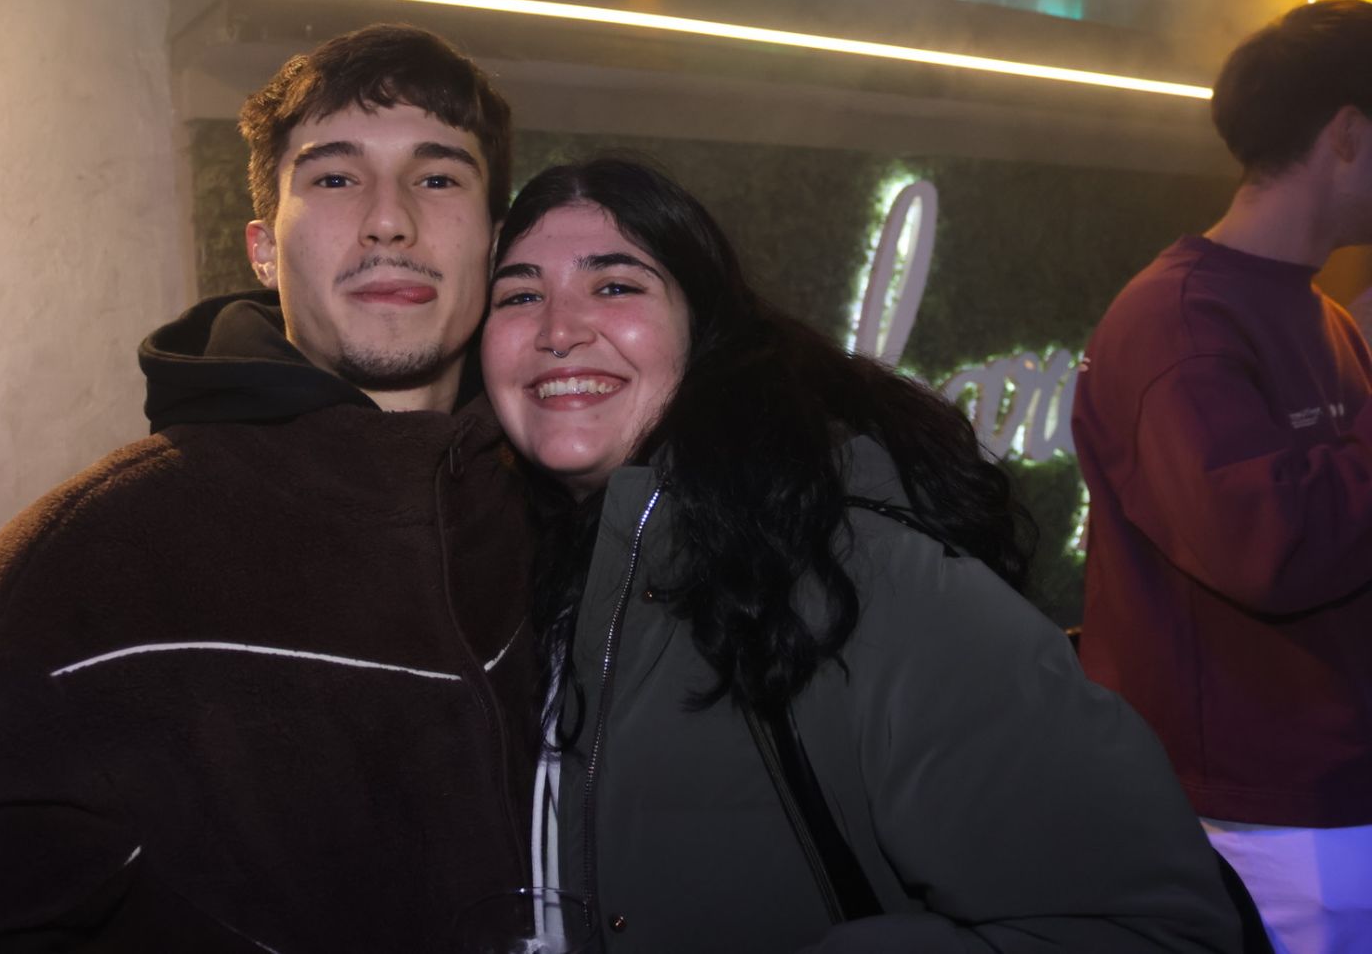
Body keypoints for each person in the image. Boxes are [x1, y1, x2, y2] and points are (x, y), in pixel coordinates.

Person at [0, 24, 537, 952]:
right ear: (263, 251)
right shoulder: (90, 563)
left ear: (496, 238)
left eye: (438, 177)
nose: (389, 219)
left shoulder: (565, 521)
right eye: (332, 176)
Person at [478, 156, 1242, 953]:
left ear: (703, 330)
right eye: (520, 294)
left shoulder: (863, 571)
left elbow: (1153, 928)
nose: (559, 330)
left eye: (615, 285)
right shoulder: (521, 582)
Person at [1071, 0, 1372, 953]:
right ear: (1351, 134)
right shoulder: (1180, 321)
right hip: (1266, 822)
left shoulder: (1319, 311)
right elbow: (1269, 548)